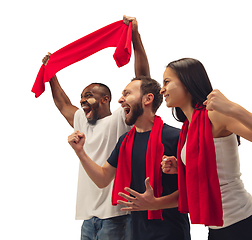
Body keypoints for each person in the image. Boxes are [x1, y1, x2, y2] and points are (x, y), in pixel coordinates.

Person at [160, 58, 252, 240]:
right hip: (217, 229)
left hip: (245, 226)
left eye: (167, 81)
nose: (162, 89)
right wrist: (183, 166)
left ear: (187, 82)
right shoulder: (188, 128)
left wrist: (234, 109)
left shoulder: (215, 116)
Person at [44, 16, 150, 240]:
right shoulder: (82, 120)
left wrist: (135, 38)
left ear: (105, 100)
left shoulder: (120, 120)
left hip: (116, 217)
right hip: (88, 218)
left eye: (89, 96)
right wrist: (50, 74)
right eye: (81, 97)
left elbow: (143, 83)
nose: (82, 101)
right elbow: (63, 104)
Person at [68, 76, 191, 240]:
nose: (120, 100)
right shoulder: (125, 141)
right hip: (135, 232)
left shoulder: (175, 137)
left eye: (127, 94)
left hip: (170, 233)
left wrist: (156, 204)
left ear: (148, 98)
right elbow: (103, 179)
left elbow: (196, 190)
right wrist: (80, 152)